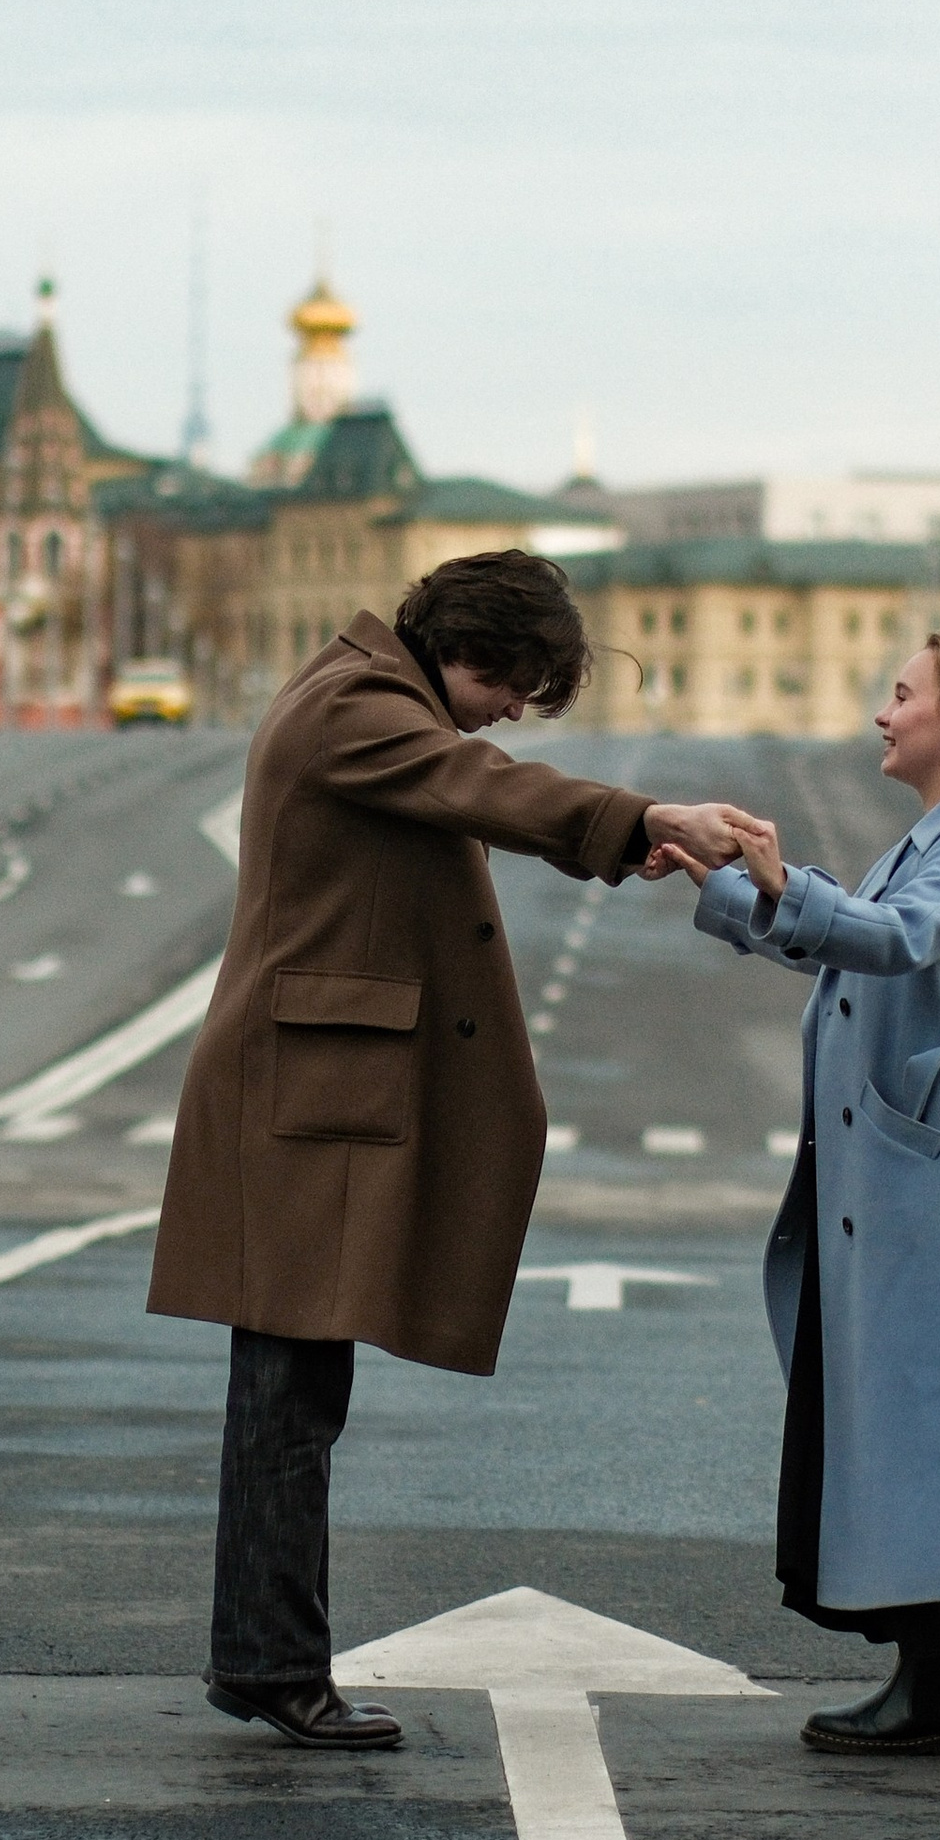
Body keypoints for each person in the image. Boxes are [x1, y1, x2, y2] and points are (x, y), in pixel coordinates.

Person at [150, 550, 746, 1751]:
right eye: (517, 682)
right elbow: (475, 785)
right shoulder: (356, 707)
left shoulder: (366, 689)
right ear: (466, 646)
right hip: (304, 1097)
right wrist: (636, 817)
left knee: (295, 1392)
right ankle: (270, 1663)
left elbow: (471, 781)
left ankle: (265, 1655)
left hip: (319, 1091)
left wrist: (615, 834)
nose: (517, 710)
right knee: (286, 1395)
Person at [658, 633, 940, 1754]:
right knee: (912, 1416)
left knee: (939, 1422)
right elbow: (845, 950)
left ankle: (933, 1684)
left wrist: (778, 881)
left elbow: (894, 941)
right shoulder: (933, 837)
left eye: (900, 696)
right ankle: (928, 1679)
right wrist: (727, 888)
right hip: (915, 1170)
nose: (882, 713)